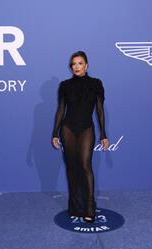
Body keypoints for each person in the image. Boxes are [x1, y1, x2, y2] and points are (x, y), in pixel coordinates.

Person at [52, 51, 109, 223]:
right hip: (67, 129)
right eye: (73, 64)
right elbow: (61, 109)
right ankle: (76, 207)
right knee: (71, 167)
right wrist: (55, 133)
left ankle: (90, 207)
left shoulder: (96, 83)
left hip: (86, 129)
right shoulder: (64, 85)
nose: (76, 66)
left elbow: (99, 109)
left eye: (80, 63)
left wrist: (103, 134)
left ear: (87, 65)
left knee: (85, 165)